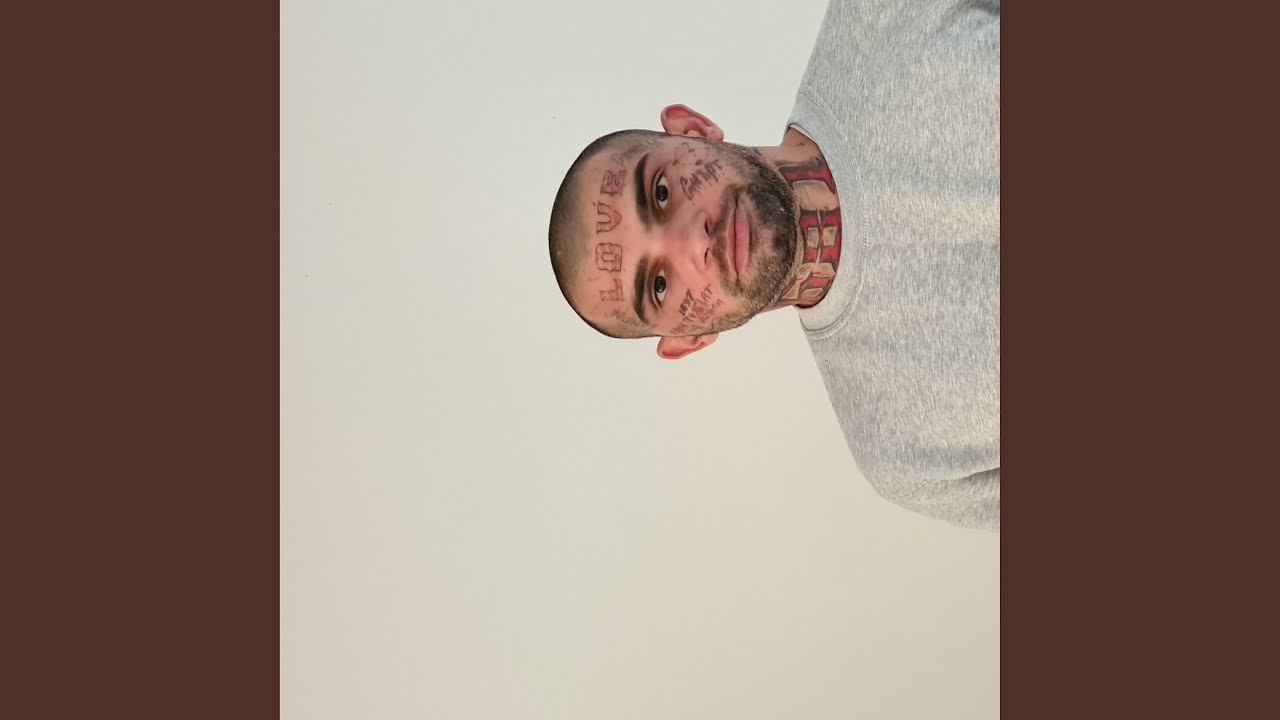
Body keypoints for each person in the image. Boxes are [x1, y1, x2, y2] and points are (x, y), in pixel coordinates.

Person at [547, 0, 999, 530]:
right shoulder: (907, 452)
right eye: (660, 284)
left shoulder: (887, 13)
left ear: (692, 128)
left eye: (661, 192)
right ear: (689, 339)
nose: (693, 241)